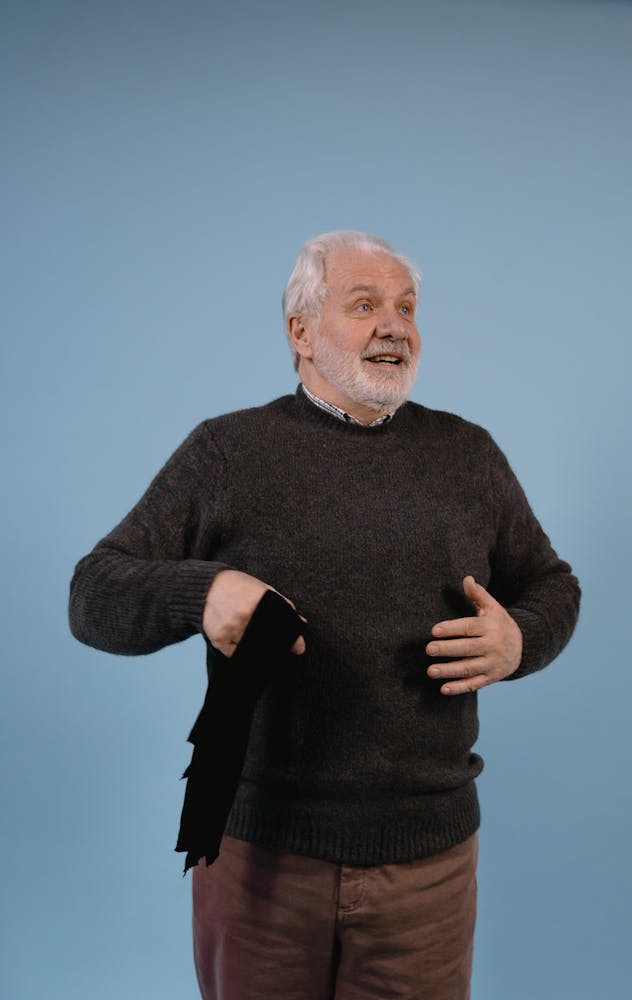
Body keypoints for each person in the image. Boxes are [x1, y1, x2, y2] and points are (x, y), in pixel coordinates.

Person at [69, 230, 580, 1000]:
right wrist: (200, 594)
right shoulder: (227, 452)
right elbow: (93, 594)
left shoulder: (468, 455)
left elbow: (552, 586)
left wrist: (521, 638)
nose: (395, 325)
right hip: (257, 857)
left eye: (407, 307)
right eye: (365, 303)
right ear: (300, 330)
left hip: (428, 864)